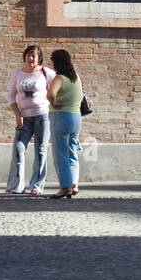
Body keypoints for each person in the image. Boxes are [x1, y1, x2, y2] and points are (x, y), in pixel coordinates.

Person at [5, 44, 55, 196]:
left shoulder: (47, 73)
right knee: (19, 149)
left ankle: (36, 186)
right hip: (24, 118)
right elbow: (11, 97)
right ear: (25, 56)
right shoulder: (17, 74)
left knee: (40, 150)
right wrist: (17, 114)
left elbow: (60, 83)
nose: (31, 58)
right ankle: (16, 186)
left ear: (39, 58)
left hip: (42, 116)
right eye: (28, 55)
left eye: (34, 55)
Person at [47, 48, 84, 200]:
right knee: (71, 152)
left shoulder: (59, 78)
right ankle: (74, 184)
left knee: (60, 153)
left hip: (61, 117)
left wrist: (54, 104)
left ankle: (65, 187)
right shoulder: (75, 77)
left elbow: (50, 94)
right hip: (76, 117)